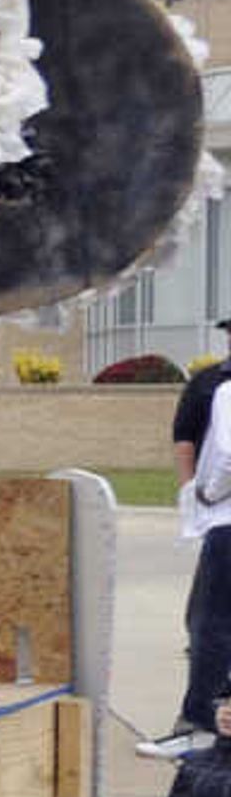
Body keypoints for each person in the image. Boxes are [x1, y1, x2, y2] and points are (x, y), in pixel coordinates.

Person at [143, 317, 231, 757]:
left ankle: (201, 723)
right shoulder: (207, 384)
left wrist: (205, 493)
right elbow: (186, 442)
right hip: (216, 518)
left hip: (226, 519)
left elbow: (227, 459)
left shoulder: (226, 391)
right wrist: (189, 496)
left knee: (209, 624)